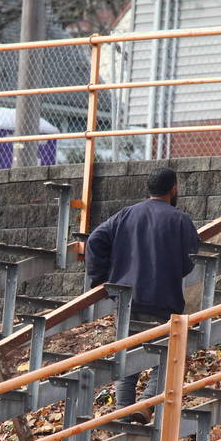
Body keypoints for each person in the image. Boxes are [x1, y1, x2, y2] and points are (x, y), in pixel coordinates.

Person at [85, 167, 201, 423]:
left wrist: (101, 281)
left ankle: (123, 411)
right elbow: (191, 260)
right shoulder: (180, 220)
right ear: (174, 189)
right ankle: (146, 402)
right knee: (167, 356)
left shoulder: (126, 214)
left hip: (128, 298)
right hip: (164, 299)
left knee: (127, 355)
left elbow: (95, 240)